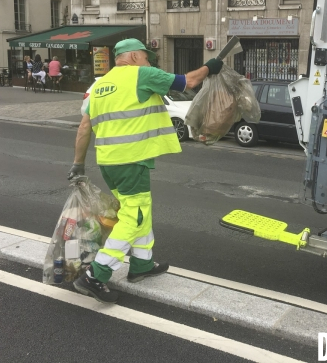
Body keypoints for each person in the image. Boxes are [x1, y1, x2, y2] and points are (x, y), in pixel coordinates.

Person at [67, 38, 223, 303]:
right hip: (131, 160)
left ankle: (142, 264)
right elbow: (189, 83)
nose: (150, 61)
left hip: (108, 162)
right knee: (134, 216)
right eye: (147, 56)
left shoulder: (99, 86)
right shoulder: (142, 74)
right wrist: (210, 66)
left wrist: (78, 164)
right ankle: (97, 274)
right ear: (135, 56)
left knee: (140, 208)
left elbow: (84, 128)